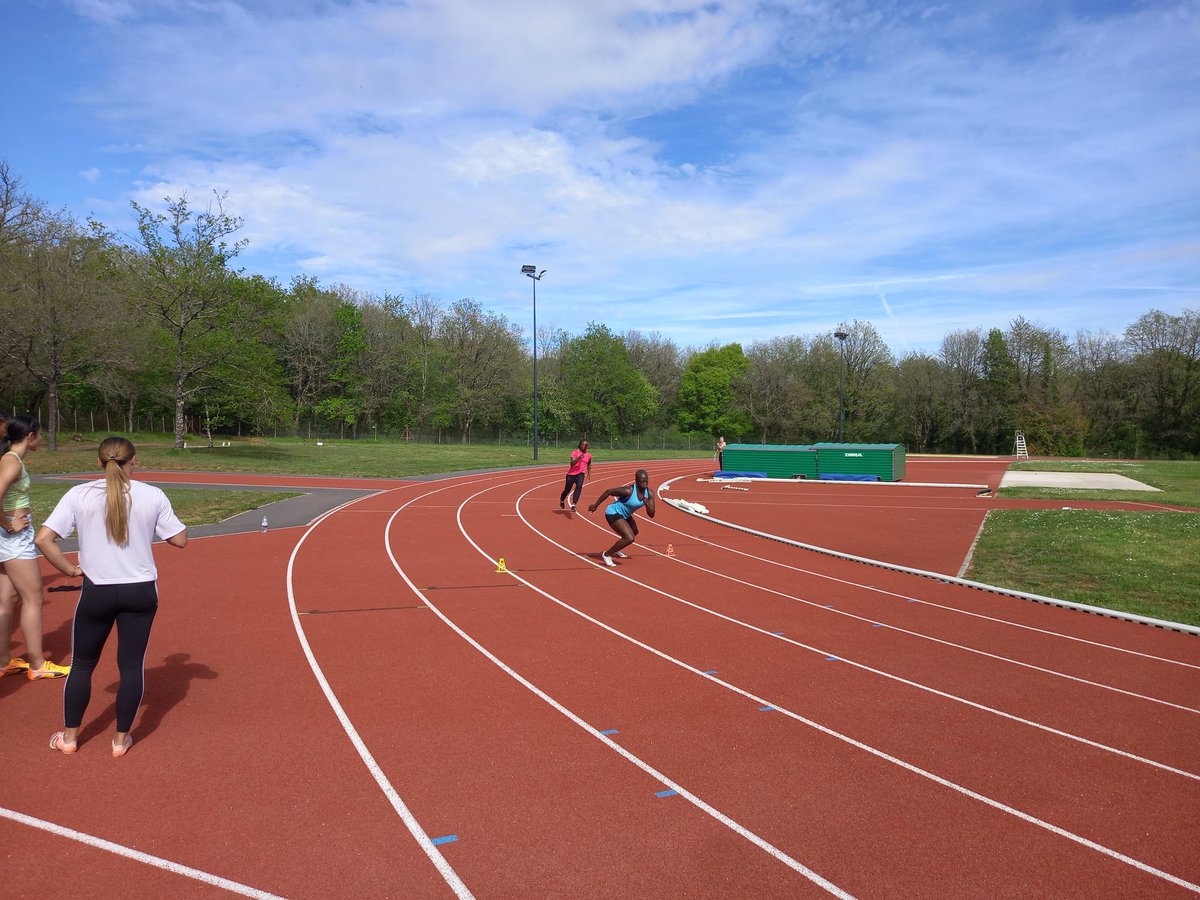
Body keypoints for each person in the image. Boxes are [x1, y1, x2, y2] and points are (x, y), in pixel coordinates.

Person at [36, 436, 187, 757]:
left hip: (97, 592)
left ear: (99, 462)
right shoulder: (152, 495)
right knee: (131, 666)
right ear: (134, 461)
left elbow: (44, 538)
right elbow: (180, 539)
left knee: (82, 666)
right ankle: (120, 741)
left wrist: (69, 569)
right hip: (141, 590)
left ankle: (69, 738)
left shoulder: (78, 495)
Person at [0, 415, 71, 681]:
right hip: (12, 537)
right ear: (30, 436)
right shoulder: (11, 461)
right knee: (33, 598)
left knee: (7, 599)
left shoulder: (9, 458)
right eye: (39, 434)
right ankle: (38, 664)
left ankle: (4, 660)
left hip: (6, 536)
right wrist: (8, 524)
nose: (41, 439)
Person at [587, 468, 656, 567]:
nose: (644, 484)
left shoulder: (649, 494)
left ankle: (618, 547)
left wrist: (647, 504)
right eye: (642, 482)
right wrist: (595, 506)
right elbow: (608, 491)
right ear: (636, 481)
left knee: (634, 532)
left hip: (625, 515)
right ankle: (606, 554)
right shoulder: (628, 490)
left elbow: (652, 514)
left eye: (646, 481)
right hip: (613, 512)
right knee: (630, 538)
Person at [558, 439, 592, 512]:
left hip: (581, 474)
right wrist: (579, 458)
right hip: (571, 474)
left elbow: (589, 464)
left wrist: (589, 473)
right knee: (567, 490)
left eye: (586, 445)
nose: (584, 446)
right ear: (580, 445)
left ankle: (574, 504)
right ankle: (562, 500)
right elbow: (572, 464)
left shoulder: (589, 455)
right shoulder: (574, 452)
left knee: (579, 486)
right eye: (583, 444)